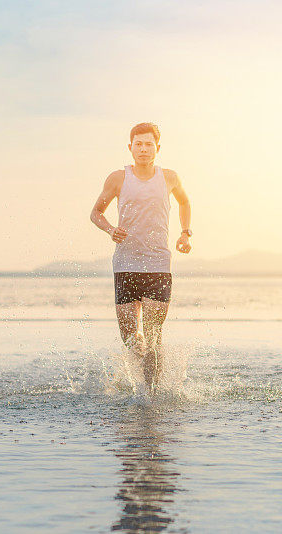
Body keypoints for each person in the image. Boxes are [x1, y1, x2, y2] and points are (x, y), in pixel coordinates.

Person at [89, 122, 192, 388]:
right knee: (130, 337)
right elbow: (96, 213)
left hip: (158, 264)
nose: (143, 149)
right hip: (126, 264)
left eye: (149, 144)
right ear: (130, 147)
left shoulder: (169, 177)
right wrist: (111, 230)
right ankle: (138, 380)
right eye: (139, 144)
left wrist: (185, 233)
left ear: (157, 148)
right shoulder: (118, 178)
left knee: (154, 336)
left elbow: (184, 201)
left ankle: (149, 395)